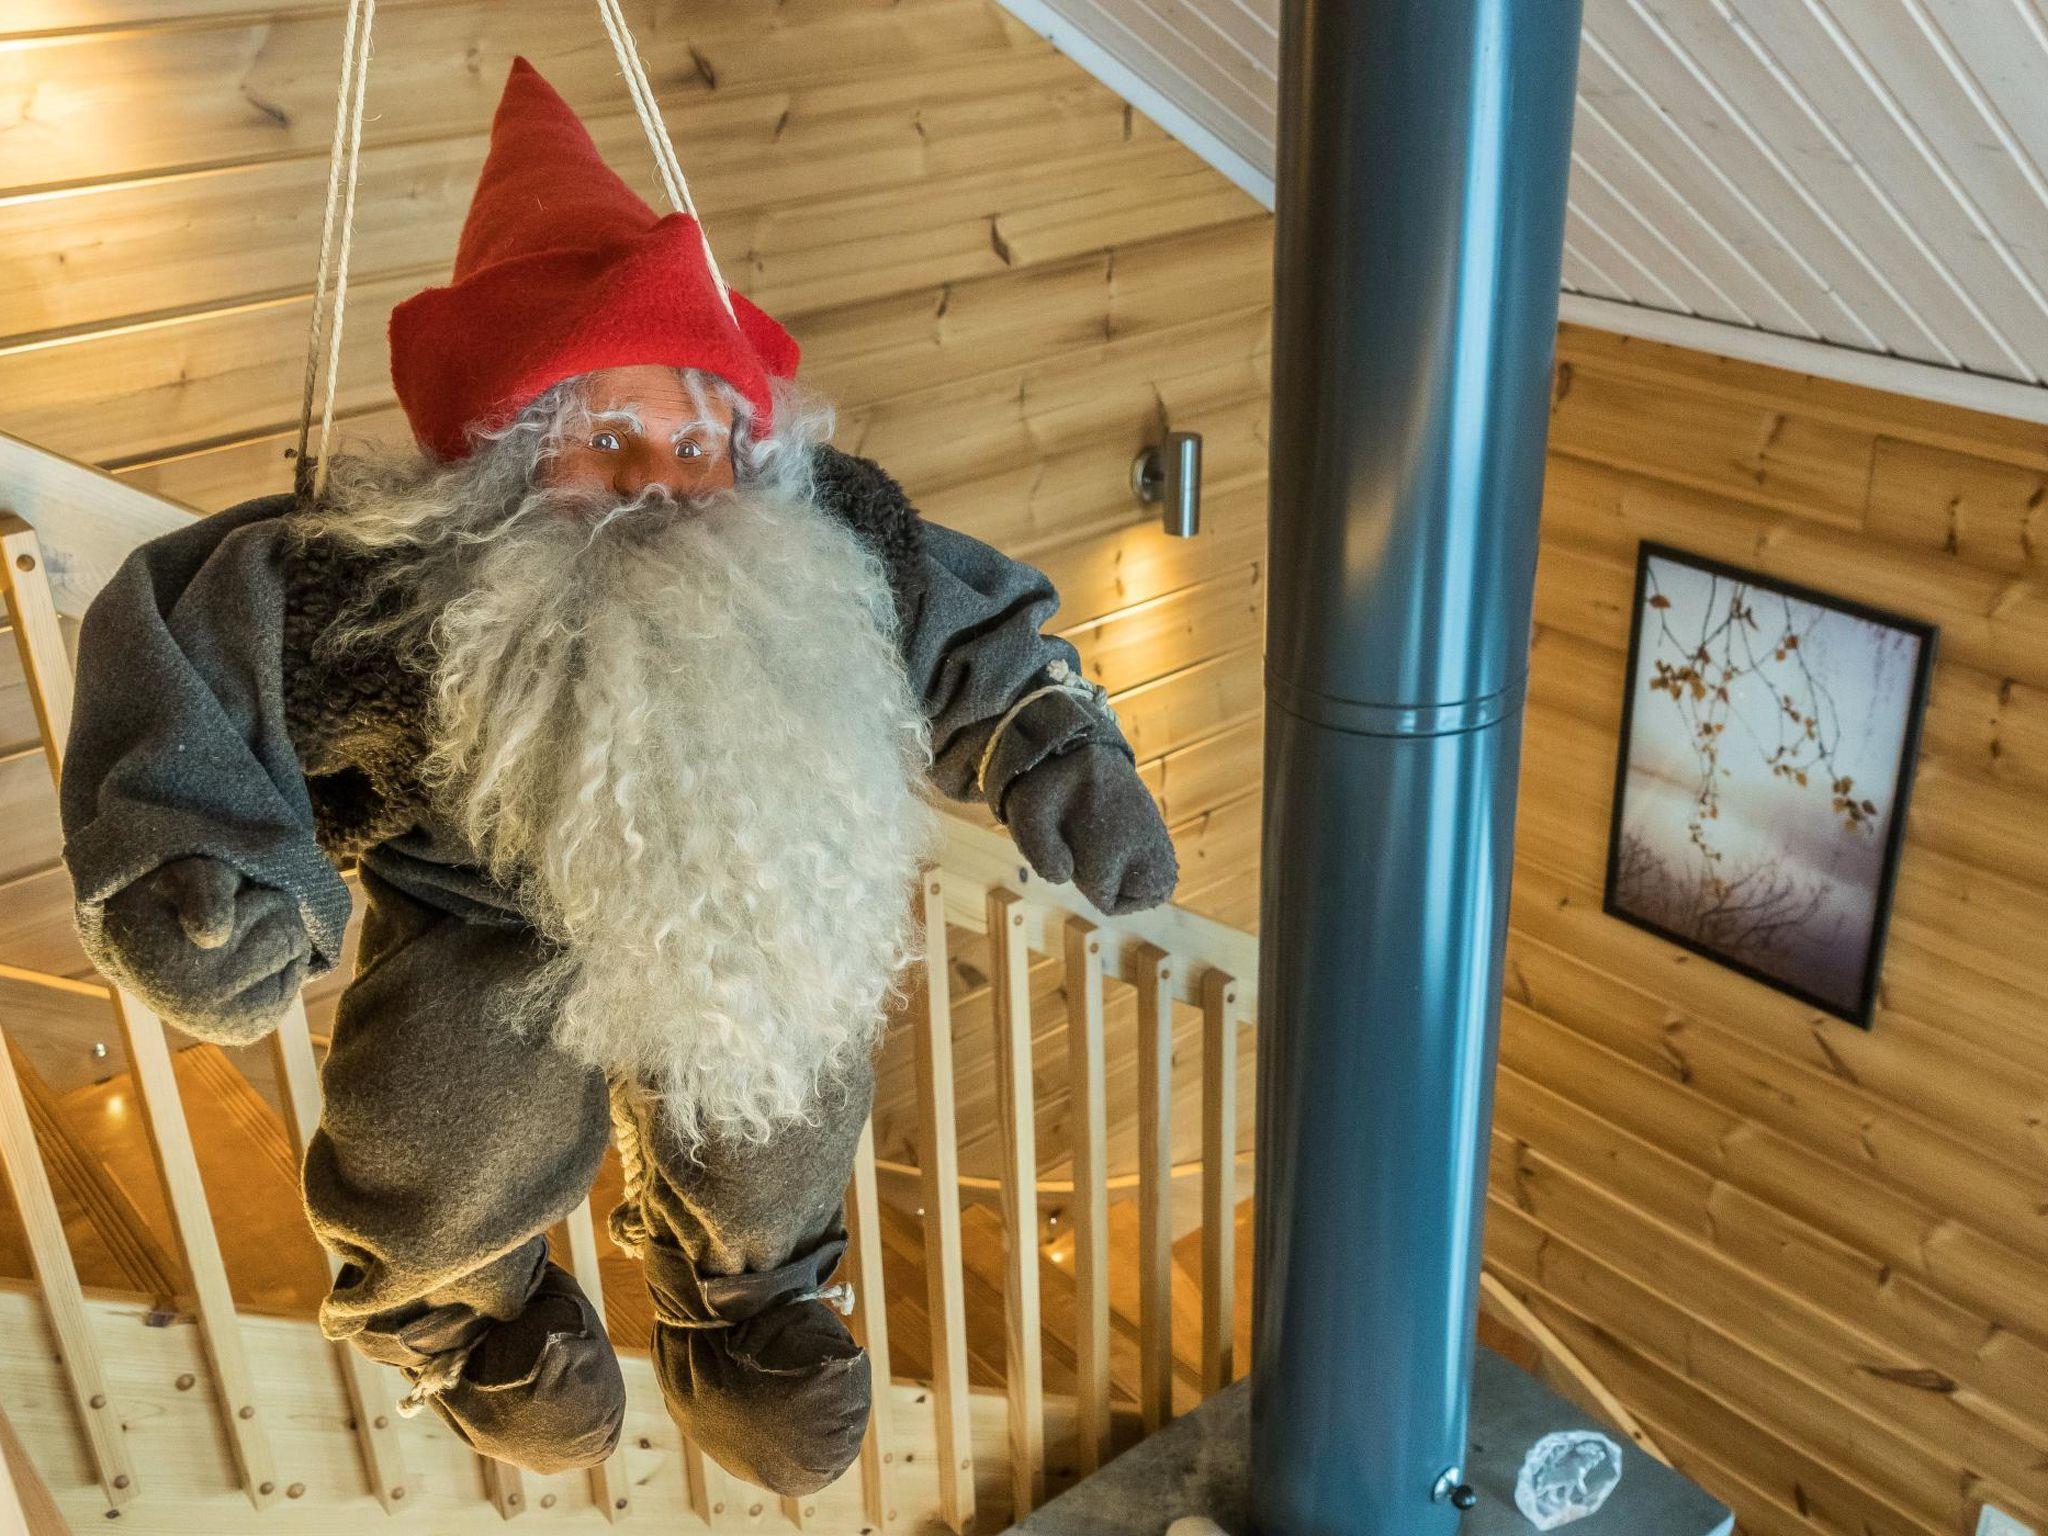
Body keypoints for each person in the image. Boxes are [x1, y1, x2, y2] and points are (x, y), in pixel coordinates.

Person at [58, 58, 1177, 1495]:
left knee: (782, 1078)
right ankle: (460, 1316)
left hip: (743, 881)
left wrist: (1052, 744)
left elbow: (969, 631)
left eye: (697, 440)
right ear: (503, 460)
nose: (662, 479)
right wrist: (206, 877)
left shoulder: (828, 544)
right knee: (444, 1104)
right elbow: (197, 637)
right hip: (481, 908)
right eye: (608, 439)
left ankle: (752, 1301)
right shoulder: (384, 589)